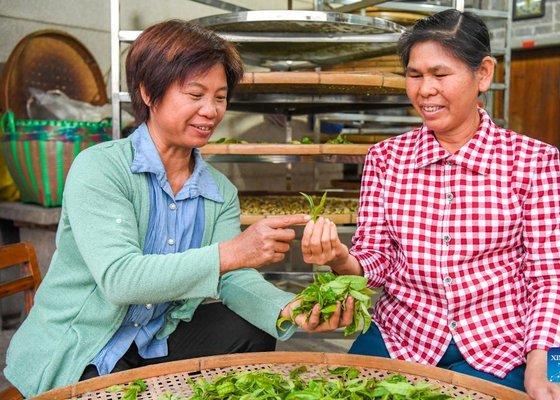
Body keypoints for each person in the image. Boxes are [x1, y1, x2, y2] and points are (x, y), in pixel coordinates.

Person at [4, 20, 353, 398]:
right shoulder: (100, 168)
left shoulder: (219, 190)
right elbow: (121, 278)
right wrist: (233, 251)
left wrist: (290, 309)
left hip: (154, 338)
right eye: (195, 94)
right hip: (86, 346)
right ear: (149, 93)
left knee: (250, 330)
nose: (211, 111)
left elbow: (232, 279)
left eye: (220, 97)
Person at [301, 9, 560, 400]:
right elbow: (377, 257)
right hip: (402, 335)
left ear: (483, 74)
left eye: (440, 74)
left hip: (499, 346)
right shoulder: (386, 158)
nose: (424, 89)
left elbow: (551, 275)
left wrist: (542, 358)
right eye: (415, 75)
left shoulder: (533, 161)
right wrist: (343, 261)